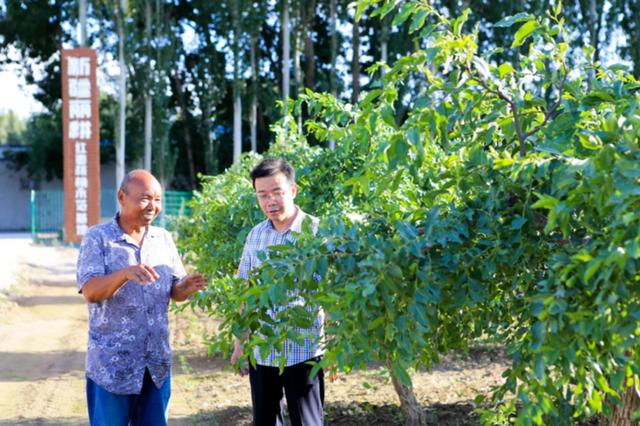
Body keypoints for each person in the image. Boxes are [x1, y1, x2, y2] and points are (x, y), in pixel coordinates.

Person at [76, 169, 207, 426]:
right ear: (122, 196)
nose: (153, 206)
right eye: (146, 198)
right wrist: (124, 274)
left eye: (158, 199)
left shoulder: (163, 238)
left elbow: (173, 291)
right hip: (112, 366)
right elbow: (90, 291)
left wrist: (185, 287)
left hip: (155, 364)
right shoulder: (98, 238)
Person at [231, 158, 325, 426]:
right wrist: (240, 343)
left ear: (293, 190)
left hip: (303, 349)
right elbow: (245, 291)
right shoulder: (256, 235)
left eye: (277, 192)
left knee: (306, 422)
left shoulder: (316, 232)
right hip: (262, 351)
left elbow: (333, 292)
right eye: (263, 195)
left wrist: (336, 343)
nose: (270, 201)